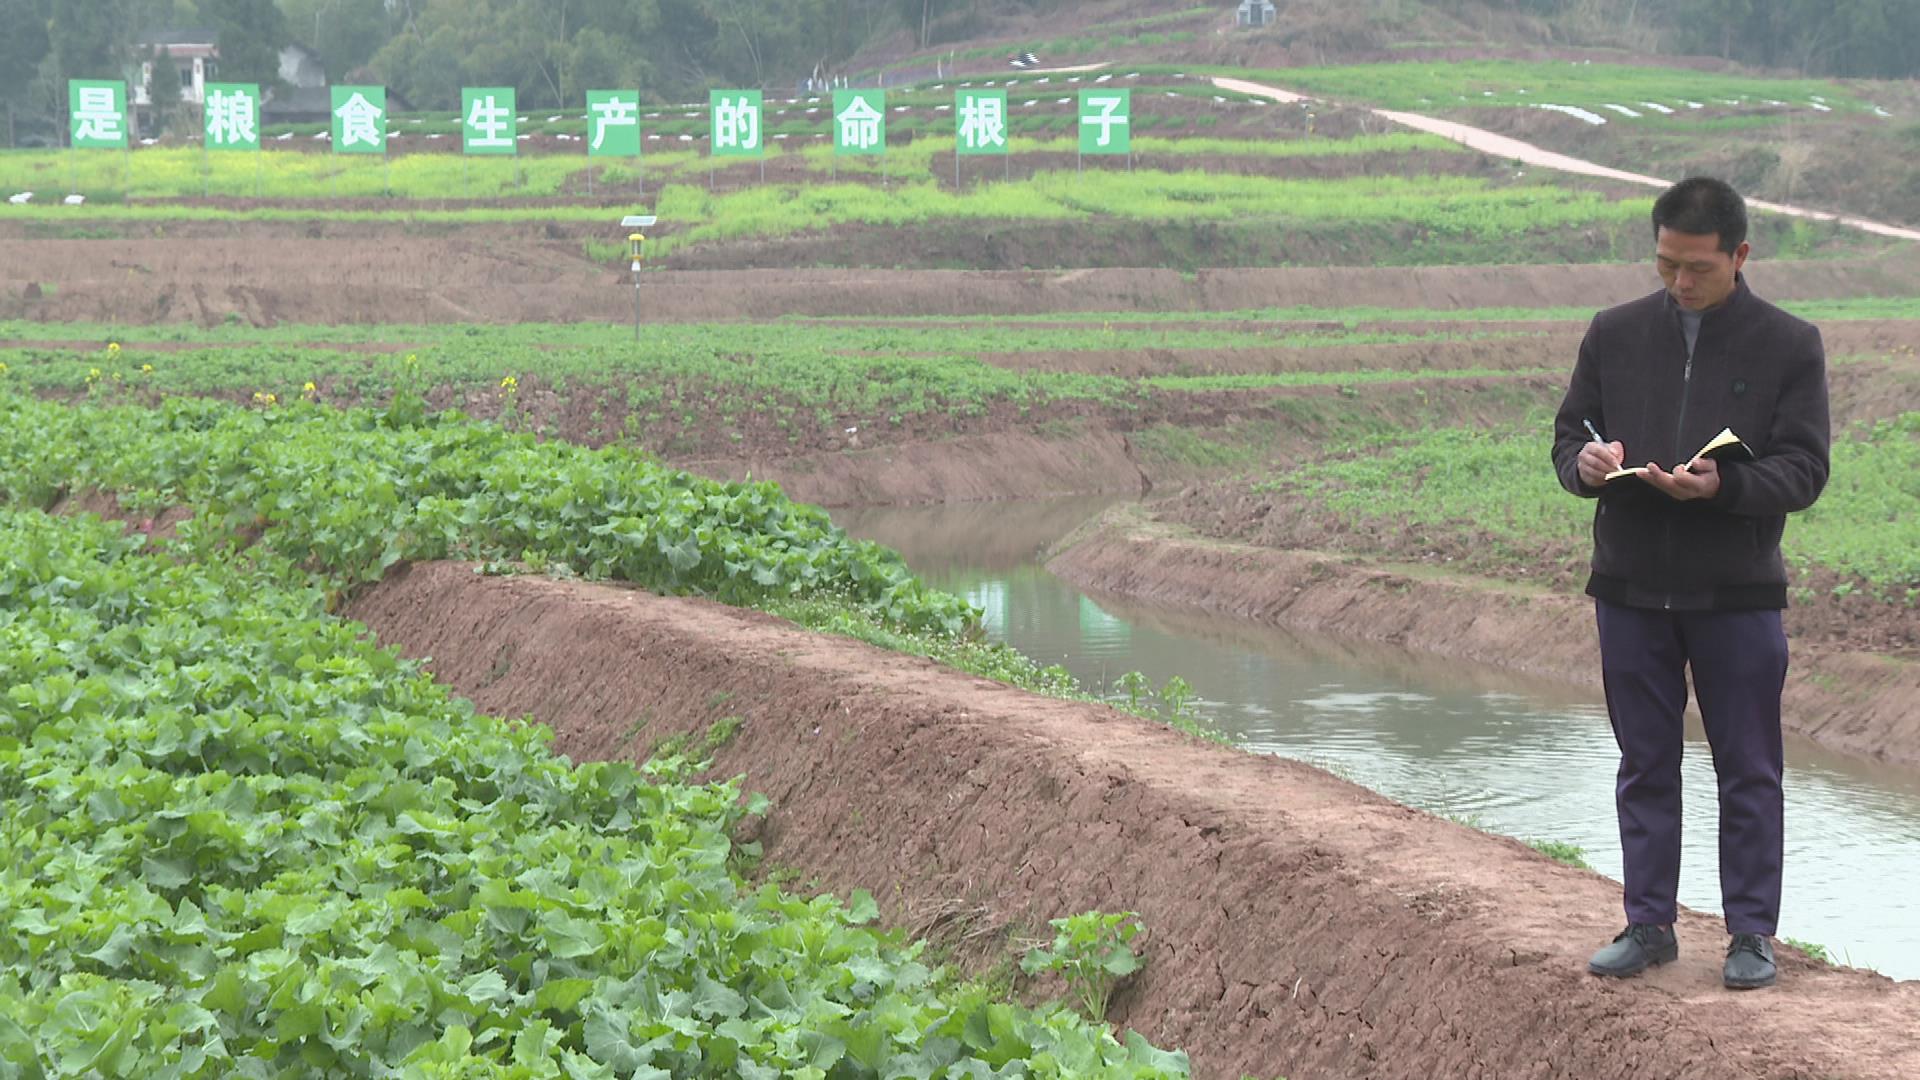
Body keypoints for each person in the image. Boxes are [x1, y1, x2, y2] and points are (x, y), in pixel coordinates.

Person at [1551, 176, 1830, 990]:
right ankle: (1649, 925)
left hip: (1736, 591)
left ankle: (1750, 934)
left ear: (1740, 256)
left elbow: (1805, 468)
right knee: (1645, 763)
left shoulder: (1788, 343)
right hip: (1630, 586)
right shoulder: (1614, 333)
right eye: (1668, 263)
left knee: (1748, 767)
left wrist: (1724, 488)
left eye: (1698, 267)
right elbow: (1572, 436)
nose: (1680, 282)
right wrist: (1588, 464)